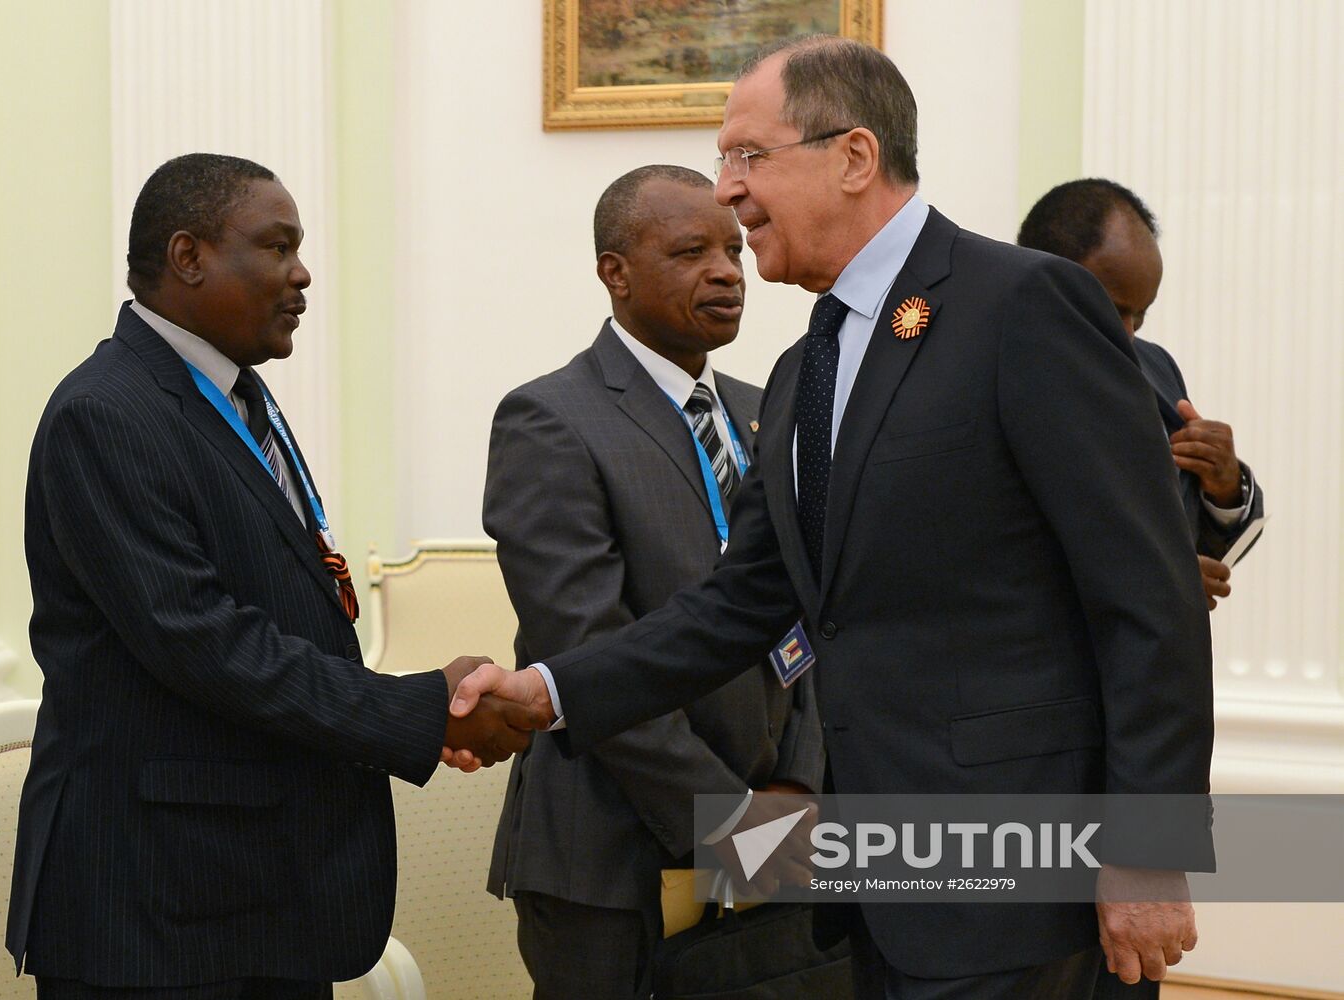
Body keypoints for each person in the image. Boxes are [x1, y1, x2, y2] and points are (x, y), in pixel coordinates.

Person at [451, 36, 1214, 999]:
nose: (725, 188)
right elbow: (739, 604)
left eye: (747, 156)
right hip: (881, 891)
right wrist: (551, 692)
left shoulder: (1020, 303)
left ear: (853, 157)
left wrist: (1150, 846)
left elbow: (1148, 596)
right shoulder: (806, 365)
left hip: (1025, 885)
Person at [9, 153, 533, 998]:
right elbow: (204, 642)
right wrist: (418, 706)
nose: (302, 273)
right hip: (156, 912)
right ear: (189, 257)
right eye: (277, 246)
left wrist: (418, 704)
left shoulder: (237, 397)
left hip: (255, 895)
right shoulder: (105, 412)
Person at [483, 165, 828, 999]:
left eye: (733, 250)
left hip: (780, 823)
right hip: (610, 855)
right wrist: (728, 823)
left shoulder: (772, 407)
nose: (725, 271)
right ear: (615, 271)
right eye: (689, 251)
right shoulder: (551, 419)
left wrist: (796, 786)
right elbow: (586, 650)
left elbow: (817, 615)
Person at [1018, 178, 1265, 615]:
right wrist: (1155, 578)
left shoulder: (1157, 368)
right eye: (1113, 310)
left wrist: (1224, 489)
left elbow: (1194, 553)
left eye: (1142, 314)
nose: (1128, 335)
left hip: (1156, 673)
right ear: (1042, 272)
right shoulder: (981, 376)